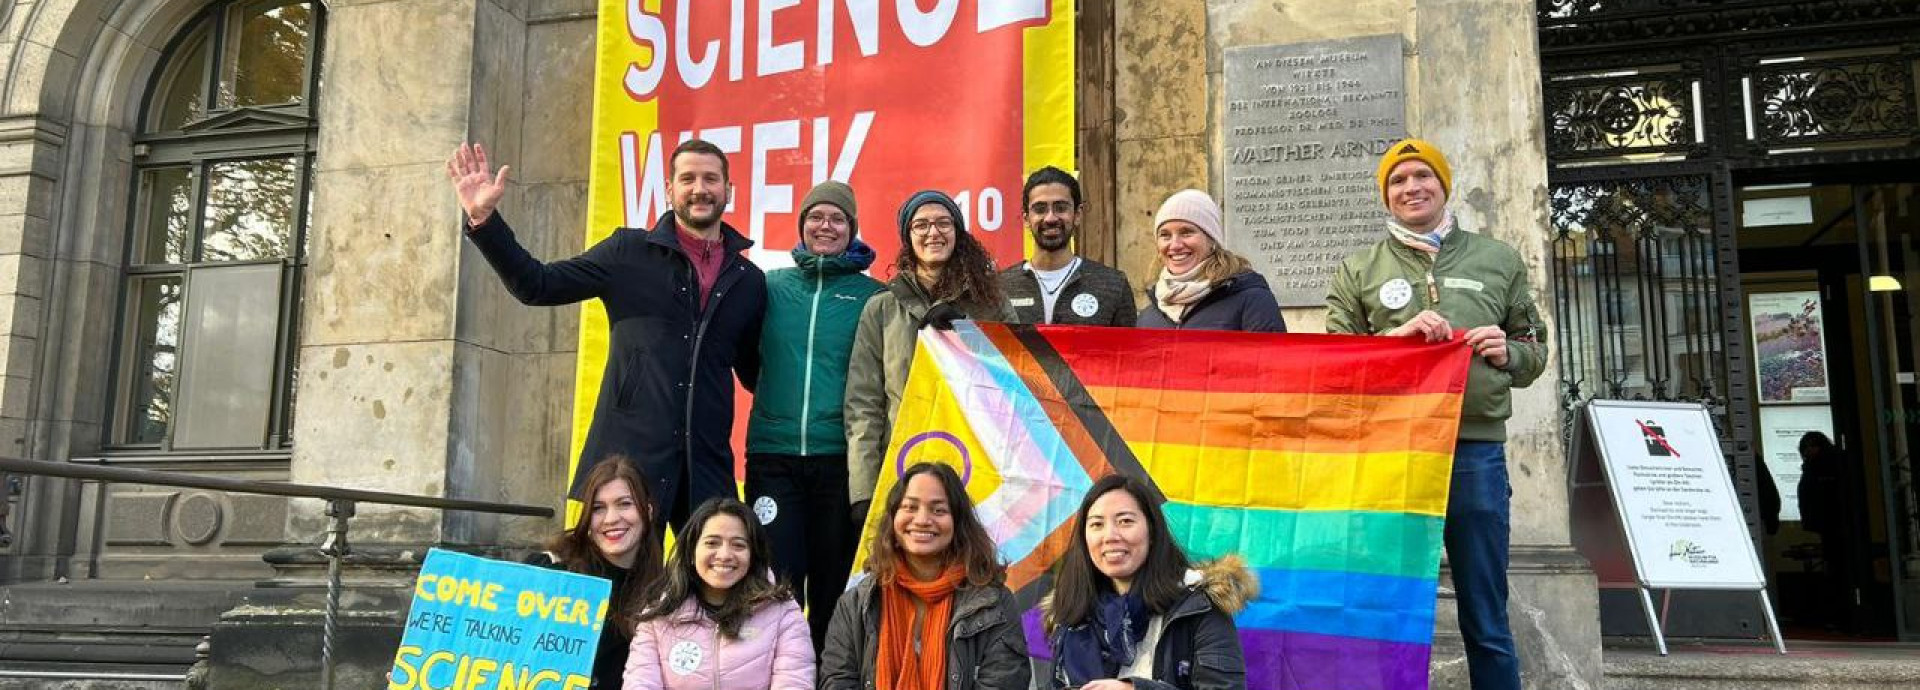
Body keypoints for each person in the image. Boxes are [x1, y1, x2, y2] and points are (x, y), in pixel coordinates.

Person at [448, 140, 767, 533]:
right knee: (619, 587)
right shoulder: (628, 251)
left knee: (715, 587)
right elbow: (538, 284)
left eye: (710, 179)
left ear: (728, 190)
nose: (699, 188)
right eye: (688, 179)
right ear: (669, 190)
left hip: (706, 464)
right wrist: (486, 222)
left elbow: (758, 374)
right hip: (629, 460)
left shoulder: (749, 280)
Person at [1325, 138, 1547, 690]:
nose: (1411, 188)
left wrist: (1508, 351)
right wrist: (1396, 340)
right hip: (1392, 456)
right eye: (1398, 181)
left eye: (1422, 176)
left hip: (1475, 453)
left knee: (1485, 613)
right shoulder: (1360, 269)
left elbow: (1533, 350)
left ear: (1442, 185)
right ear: (1386, 195)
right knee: (1386, 610)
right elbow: (1337, 364)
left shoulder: (1498, 259)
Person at [742, 181, 885, 651]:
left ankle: (830, 678)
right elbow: (746, 356)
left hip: (838, 463)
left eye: (837, 219)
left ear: (852, 229)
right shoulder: (771, 286)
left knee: (832, 589)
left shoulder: (872, 297)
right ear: (802, 225)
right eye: (817, 217)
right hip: (772, 457)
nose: (826, 226)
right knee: (773, 587)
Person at [844, 191, 1014, 523]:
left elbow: (1013, 384)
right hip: (902, 467)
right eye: (920, 225)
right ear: (908, 237)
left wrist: (967, 334)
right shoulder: (882, 308)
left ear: (958, 233)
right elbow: (863, 405)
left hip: (977, 465)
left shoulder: (991, 304)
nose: (932, 233)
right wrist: (864, 492)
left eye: (943, 223)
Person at [819, 462, 1030, 690]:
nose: (921, 519)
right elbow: (837, 682)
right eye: (910, 507)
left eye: (938, 510)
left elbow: (1004, 682)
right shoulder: (855, 605)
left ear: (958, 522)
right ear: (893, 519)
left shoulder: (994, 605)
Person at [1045, 474, 1252, 690]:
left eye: (1125, 521)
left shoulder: (1199, 607)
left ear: (1152, 531)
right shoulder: (1072, 616)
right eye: (1097, 524)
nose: (1110, 536)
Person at [625, 498, 813, 690]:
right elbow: (640, 683)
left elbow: (794, 682)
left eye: (738, 545)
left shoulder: (783, 612)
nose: (724, 555)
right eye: (712, 543)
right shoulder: (659, 615)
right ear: (691, 551)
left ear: (753, 555)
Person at [526, 458, 665, 689]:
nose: (611, 519)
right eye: (598, 508)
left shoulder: (662, 594)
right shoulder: (551, 569)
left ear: (647, 511)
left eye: (624, 504)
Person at [998, 167, 1137, 326]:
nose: (1050, 218)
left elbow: (1129, 350)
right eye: (1040, 209)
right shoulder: (999, 287)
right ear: (1026, 218)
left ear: (1077, 214)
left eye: (1061, 208)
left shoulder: (1114, 285)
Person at [1136, 190, 1286, 332]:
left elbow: (1272, 359)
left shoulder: (1252, 300)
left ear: (1212, 240)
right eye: (1165, 235)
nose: (1175, 245)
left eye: (1187, 232)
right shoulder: (1148, 317)